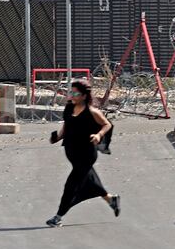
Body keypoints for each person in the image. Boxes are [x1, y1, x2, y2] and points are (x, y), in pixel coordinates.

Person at [46, 80, 120, 227]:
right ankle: (111, 199)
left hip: (86, 154)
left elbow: (107, 124)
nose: (72, 95)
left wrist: (98, 135)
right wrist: (57, 137)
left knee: (71, 186)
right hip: (73, 154)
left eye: (75, 93)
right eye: (71, 92)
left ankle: (58, 216)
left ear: (84, 96)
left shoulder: (92, 112)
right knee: (91, 181)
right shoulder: (68, 109)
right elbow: (66, 127)